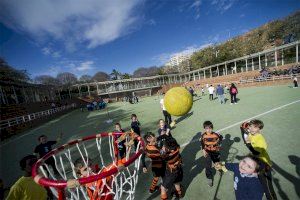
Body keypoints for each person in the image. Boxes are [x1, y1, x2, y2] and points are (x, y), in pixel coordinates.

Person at [240, 119, 277, 200]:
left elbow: (256, 152)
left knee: (268, 188)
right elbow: (245, 139)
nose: (252, 129)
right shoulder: (251, 135)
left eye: (255, 127)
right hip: (256, 165)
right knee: (259, 182)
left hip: (264, 166)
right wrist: (242, 130)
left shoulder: (260, 139)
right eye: (250, 126)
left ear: (260, 129)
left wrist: (248, 143)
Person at [200, 121, 223, 187]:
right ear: (204, 129)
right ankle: (209, 178)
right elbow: (202, 143)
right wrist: (203, 150)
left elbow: (221, 138)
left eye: (210, 128)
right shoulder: (203, 136)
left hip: (215, 152)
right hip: (208, 152)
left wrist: (218, 144)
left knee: (217, 163)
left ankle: (219, 169)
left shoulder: (216, 135)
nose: (208, 130)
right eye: (207, 128)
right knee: (208, 166)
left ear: (212, 128)